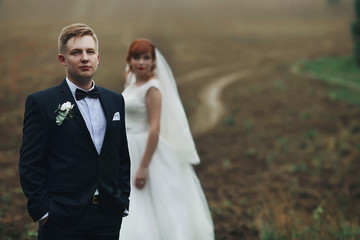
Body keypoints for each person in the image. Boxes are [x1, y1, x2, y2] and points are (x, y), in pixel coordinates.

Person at [19, 23, 131, 240]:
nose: (84, 58)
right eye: (76, 52)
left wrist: (122, 201)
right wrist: (43, 212)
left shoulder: (116, 101)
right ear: (63, 59)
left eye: (90, 52)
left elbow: (121, 155)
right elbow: (30, 164)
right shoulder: (41, 103)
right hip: (62, 219)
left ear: (98, 57)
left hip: (108, 216)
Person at [120, 39, 214, 240]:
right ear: (130, 59)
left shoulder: (153, 88)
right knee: (132, 203)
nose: (142, 62)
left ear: (153, 61)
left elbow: (154, 129)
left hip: (145, 150)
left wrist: (144, 166)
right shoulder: (131, 84)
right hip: (127, 147)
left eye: (146, 57)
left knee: (150, 204)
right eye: (137, 57)